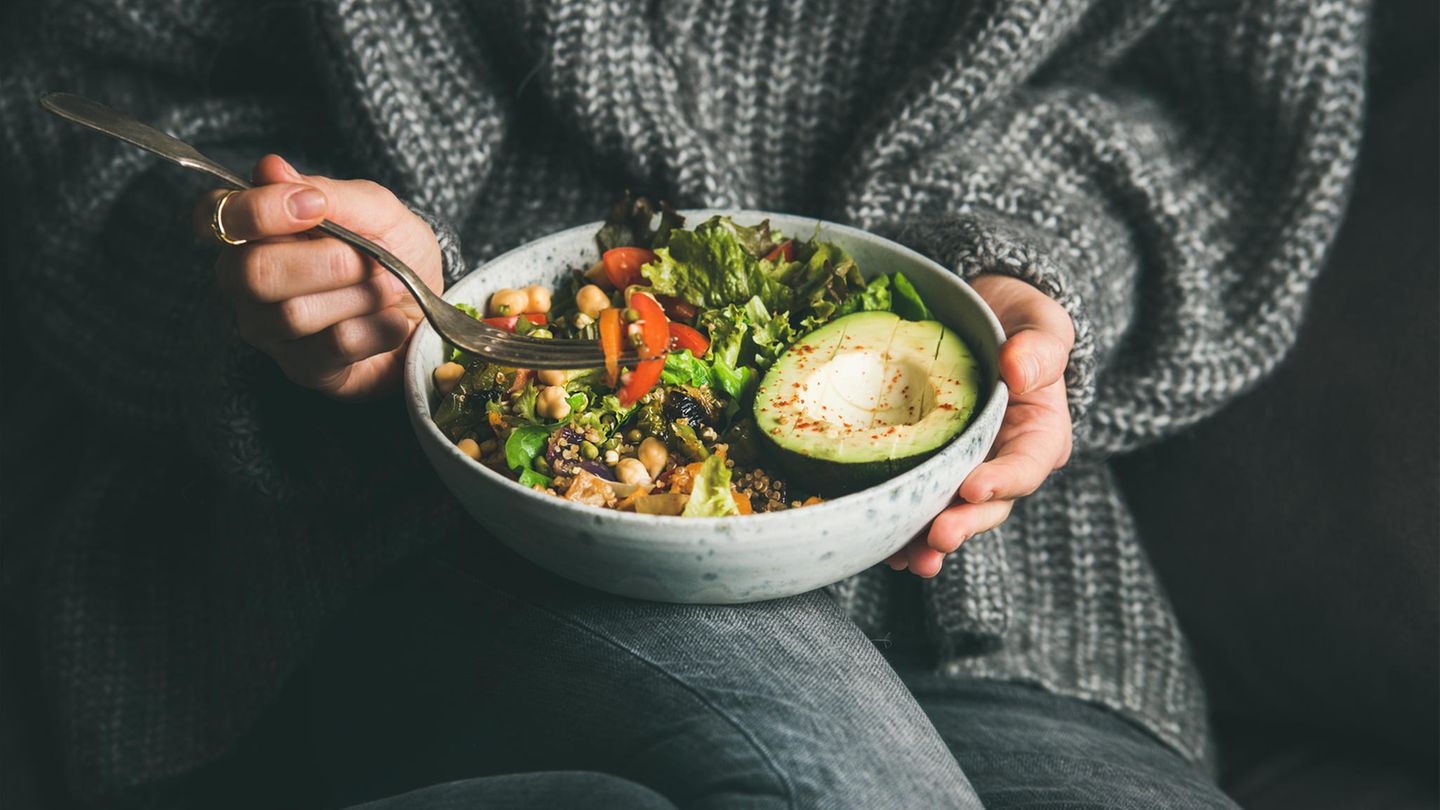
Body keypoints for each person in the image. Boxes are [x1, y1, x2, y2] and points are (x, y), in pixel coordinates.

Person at [0, 0, 1366, 807]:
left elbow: (1217, 106)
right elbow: (84, 98)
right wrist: (286, 278)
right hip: (369, 553)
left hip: (1002, 598)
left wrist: (1027, 279)